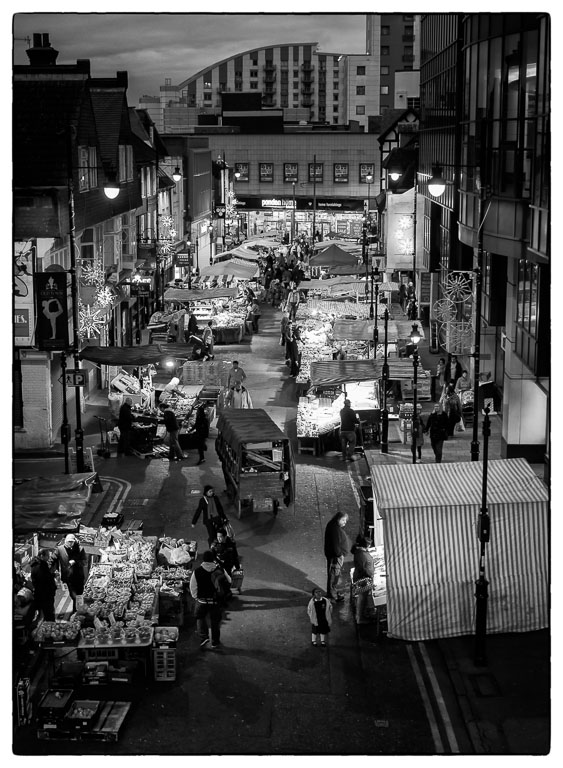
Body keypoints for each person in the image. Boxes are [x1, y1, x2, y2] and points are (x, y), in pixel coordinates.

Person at [189, 551, 224, 649]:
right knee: (215, 621)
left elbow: (193, 586)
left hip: (202, 601)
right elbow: (228, 581)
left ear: (203, 560)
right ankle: (215, 642)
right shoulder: (219, 570)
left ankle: (204, 637)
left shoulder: (197, 571)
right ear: (213, 559)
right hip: (215, 601)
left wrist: (196, 597)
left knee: (200, 618)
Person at [53, 534, 86, 612]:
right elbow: (53, 559)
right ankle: (76, 610)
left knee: (79, 595)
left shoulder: (80, 549)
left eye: (72, 542)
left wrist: (76, 562)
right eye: (69, 542)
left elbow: (84, 562)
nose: (70, 543)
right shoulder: (60, 549)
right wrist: (54, 570)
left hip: (79, 576)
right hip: (68, 577)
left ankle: (78, 611)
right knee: (73, 595)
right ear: (65, 541)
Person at [324, 511, 349, 602]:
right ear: (338, 519)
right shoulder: (335, 529)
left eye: (345, 520)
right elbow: (335, 545)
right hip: (335, 556)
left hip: (333, 555)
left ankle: (331, 592)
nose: (344, 522)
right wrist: (339, 554)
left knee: (333, 574)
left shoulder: (333, 525)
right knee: (334, 574)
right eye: (343, 520)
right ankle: (332, 595)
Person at [351, 535, 375, 624]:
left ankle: (362, 615)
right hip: (363, 579)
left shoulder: (358, 552)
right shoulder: (362, 555)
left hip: (360, 577)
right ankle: (360, 619)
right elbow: (365, 569)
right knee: (362, 598)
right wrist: (371, 575)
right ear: (366, 545)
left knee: (363, 598)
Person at [30, 548, 57, 621]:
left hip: (43, 593)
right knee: (49, 614)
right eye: (47, 556)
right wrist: (52, 575)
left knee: (46, 613)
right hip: (45, 595)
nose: (48, 558)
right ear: (42, 556)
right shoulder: (40, 566)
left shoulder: (39, 564)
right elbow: (44, 580)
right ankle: (50, 627)